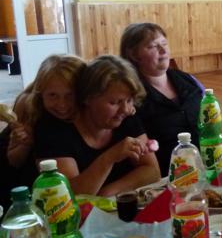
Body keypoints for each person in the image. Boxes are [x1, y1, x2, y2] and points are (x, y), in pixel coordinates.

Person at [35, 55, 160, 196]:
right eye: (114, 102)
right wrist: (109, 158)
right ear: (87, 98)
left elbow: (152, 171)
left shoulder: (126, 117)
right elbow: (69, 195)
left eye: (129, 100)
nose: (125, 109)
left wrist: (108, 193)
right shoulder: (53, 130)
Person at [0, 55, 85, 209]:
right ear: (41, 94)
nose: (62, 104)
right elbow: (14, 161)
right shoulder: (32, 112)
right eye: (52, 95)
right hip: (17, 191)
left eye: (70, 95)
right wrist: (24, 145)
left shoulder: (84, 112)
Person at [120, 22, 203, 176]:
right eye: (153, 46)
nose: (163, 51)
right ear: (134, 55)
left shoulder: (186, 80)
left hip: (208, 160)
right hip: (172, 175)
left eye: (164, 44)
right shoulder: (131, 98)